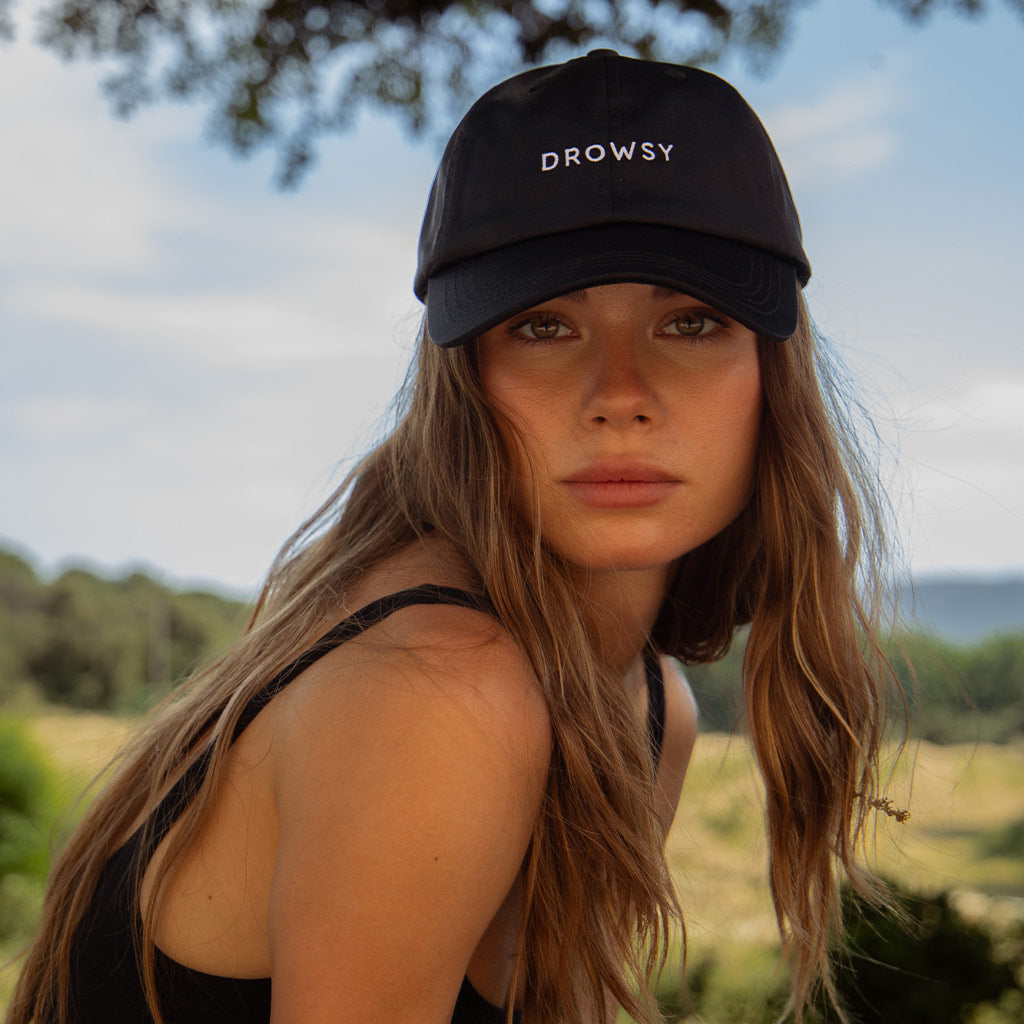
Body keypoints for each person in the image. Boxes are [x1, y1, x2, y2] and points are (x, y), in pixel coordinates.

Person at [7, 50, 899, 1024]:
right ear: (461, 379)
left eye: (690, 321)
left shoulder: (646, 705)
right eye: (542, 326)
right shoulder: (440, 687)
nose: (620, 398)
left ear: (774, 372)